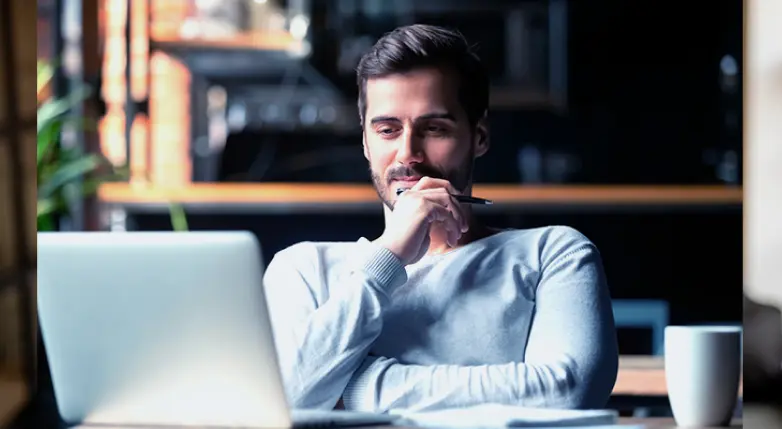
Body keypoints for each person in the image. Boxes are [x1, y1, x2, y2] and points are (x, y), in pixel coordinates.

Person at [263, 24, 618, 413]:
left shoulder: (554, 253)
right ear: (365, 141)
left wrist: (355, 388)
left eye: (434, 128)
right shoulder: (302, 269)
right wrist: (389, 256)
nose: (407, 153)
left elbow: (567, 392)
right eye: (387, 129)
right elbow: (279, 400)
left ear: (479, 136)